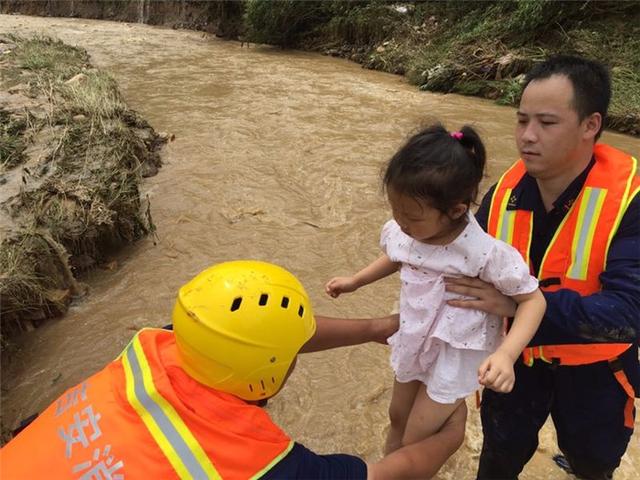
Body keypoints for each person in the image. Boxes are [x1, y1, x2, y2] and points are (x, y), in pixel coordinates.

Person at [0, 260, 466, 480]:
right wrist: (449, 438)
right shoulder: (258, 465)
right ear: (274, 372)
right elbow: (386, 475)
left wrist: (372, 327)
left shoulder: (156, 347)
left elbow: (256, 333)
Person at [445, 55, 640, 479]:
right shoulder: (505, 193)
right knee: (498, 461)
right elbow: (460, 266)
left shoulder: (631, 200)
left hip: (596, 375)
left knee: (593, 465)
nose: (527, 137)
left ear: (590, 125)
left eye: (546, 123)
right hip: (517, 365)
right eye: (521, 121)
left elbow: (628, 315)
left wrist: (518, 305)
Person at [325, 124, 546, 456]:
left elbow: (533, 300)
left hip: (456, 351)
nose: (401, 224)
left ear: (456, 211)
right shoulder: (407, 232)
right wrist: (356, 281)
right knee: (397, 416)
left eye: (411, 217)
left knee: (416, 435)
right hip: (416, 335)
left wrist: (506, 355)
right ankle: (389, 469)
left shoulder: (483, 253)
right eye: (395, 212)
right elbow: (398, 256)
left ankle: (423, 449)